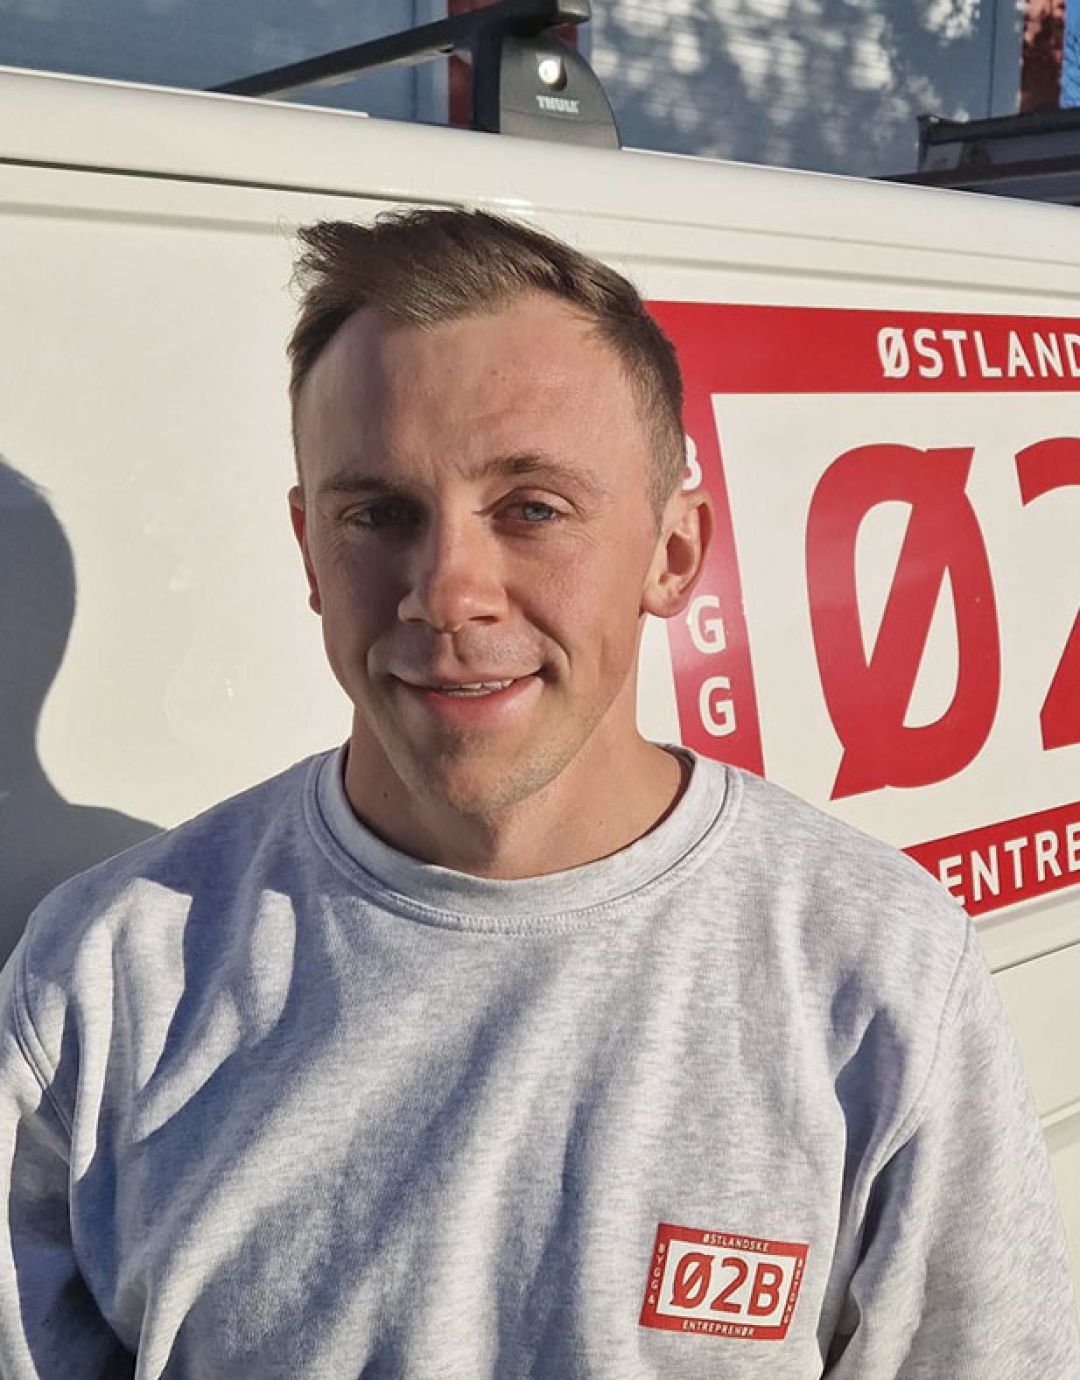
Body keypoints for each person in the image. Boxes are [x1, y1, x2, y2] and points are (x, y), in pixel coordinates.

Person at [0, 209, 1076, 1380]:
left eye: (532, 508)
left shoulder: (877, 970)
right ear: (310, 550)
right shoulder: (100, 983)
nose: (448, 591)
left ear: (674, 553)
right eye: (379, 514)